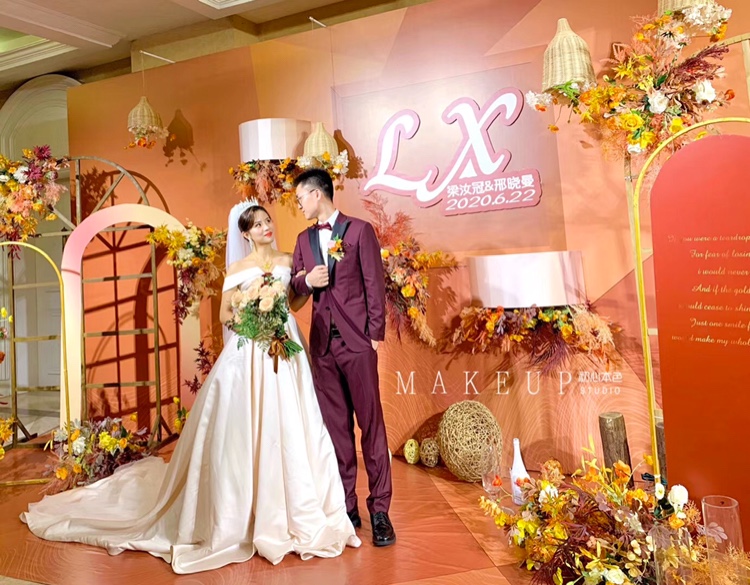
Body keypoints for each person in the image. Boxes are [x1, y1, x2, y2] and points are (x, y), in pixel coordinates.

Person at [20, 201, 361, 574]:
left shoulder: (288, 260)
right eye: (258, 224)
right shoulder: (238, 269)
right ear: (245, 233)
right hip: (251, 348)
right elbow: (226, 314)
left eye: (267, 221)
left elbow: (294, 301)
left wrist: (300, 291)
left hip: (285, 344)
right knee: (247, 429)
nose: (266, 227)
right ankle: (246, 511)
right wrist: (254, 319)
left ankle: (296, 505)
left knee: (294, 423)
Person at [291, 168, 396, 547]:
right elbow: (294, 282)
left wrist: (374, 337)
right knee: (337, 431)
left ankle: (380, 511)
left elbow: (374, 285)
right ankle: (346, 507)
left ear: (317, 194)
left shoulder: (358, 231)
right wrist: (307, 281)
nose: (298, 205)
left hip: (357, 344)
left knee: (372, 427)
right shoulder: (303, 239)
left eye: (300, 197)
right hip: (322, 347)